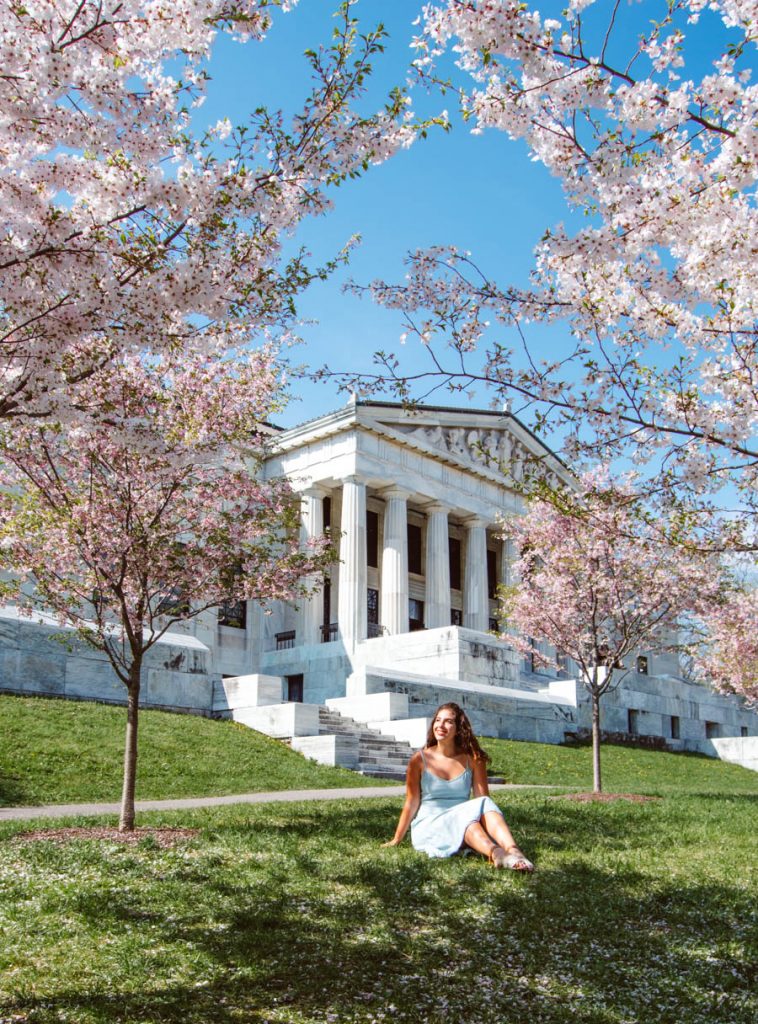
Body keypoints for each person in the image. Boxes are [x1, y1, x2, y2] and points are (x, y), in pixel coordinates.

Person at [383, 702, 534, 871]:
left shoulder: (473, 759)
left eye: (448, 721)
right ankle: (497, 854)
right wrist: (397, 838)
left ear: (458, 728)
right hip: (430, 824)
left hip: (463, 819)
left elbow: (483, 802)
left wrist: (484, 826)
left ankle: (513, 851)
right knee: (467, 821)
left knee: (478, 809)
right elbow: (411, 802)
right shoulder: (419, 759)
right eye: (438, 720)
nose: (441, 725)